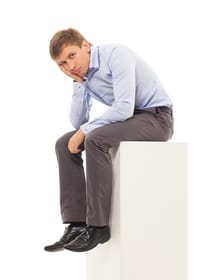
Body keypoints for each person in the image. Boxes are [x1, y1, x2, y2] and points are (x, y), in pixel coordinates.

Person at [44, 28, 174, 253]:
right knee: (64, 144)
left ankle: (98, 226)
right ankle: (76, 224)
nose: (69, 66)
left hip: (157, 118)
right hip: (132, 119)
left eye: (72, 56)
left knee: (95, 139)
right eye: (62, 63)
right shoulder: (83, 75)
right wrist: (78, 84)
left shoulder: (116, 55)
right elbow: (78, 121)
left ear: (86, 45)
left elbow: (123, 107)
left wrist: (85, 131)